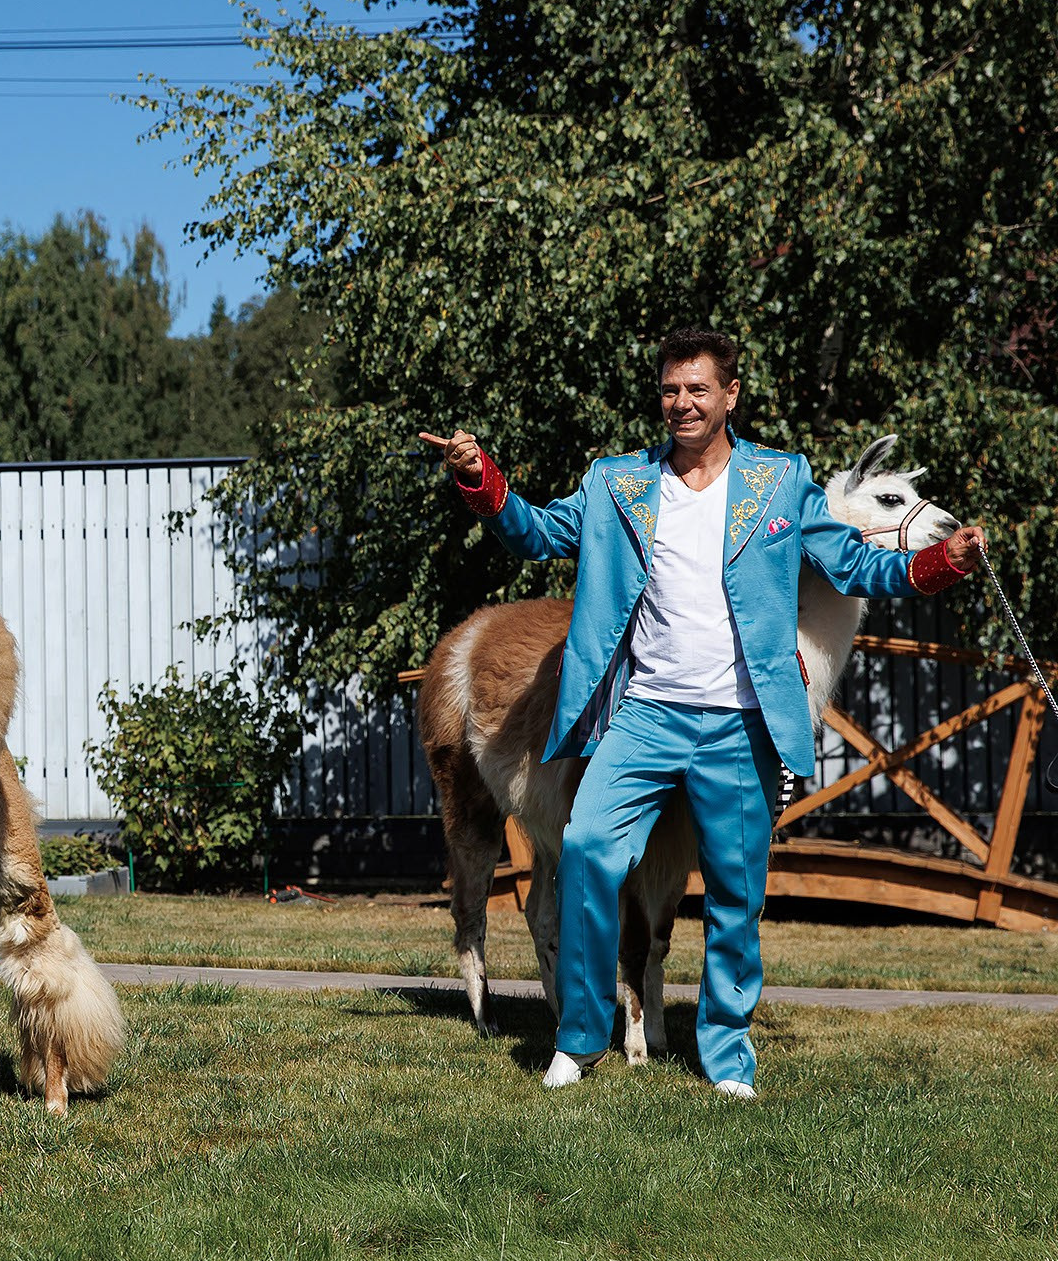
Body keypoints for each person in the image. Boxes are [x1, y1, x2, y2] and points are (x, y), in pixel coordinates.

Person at [422, 328, 985, 1097]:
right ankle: (580, 1036)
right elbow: (536, 531)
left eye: (697, 389)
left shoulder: (780, 482)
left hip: (737, 717)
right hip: (644, 715)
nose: (681, 403)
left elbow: (853, 562)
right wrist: (480, 477)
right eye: (669, 390)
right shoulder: (618, 483)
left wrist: (936, 564)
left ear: (730, 395)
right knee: (587, 849)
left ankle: (726, 1056)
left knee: (735, 889)